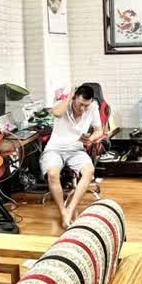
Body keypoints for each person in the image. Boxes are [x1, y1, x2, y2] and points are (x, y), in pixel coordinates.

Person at [41, 84, 103, 229]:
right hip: (55, 149)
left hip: (76, 149)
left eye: (86, 105)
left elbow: (99, 130)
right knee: (52, 174)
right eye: (80, 104)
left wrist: (91, 138)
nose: (83, 108)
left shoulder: (93, 107)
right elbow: (57, 113)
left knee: (89, 171)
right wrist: (69, 96)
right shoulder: (63, 104)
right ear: (74, 98)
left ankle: (70, 209)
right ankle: (63, 211)